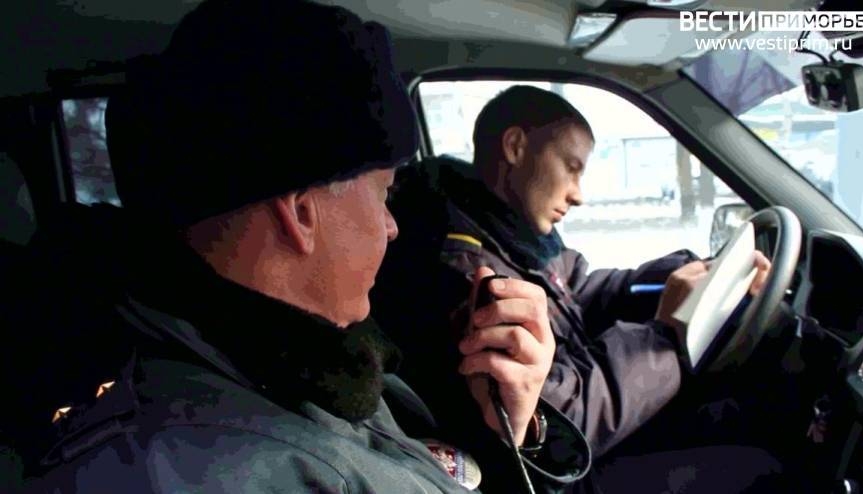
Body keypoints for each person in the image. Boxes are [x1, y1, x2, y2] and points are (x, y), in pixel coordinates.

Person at [24, 4, 590, 493]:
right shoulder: (212, 466)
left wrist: (513, 429)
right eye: (384, 194)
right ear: (300, 214)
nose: (393, 227)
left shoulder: (303, 358)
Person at [372, 85, 787, 493]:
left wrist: (685, 272)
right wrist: (664, 338)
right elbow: (560, 423)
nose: (578, 195)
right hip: (563, 471)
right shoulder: (467, 273)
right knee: (761, 468)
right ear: (515, 147)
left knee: (741, 413)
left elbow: (581, 289)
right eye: (572, 168)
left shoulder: (510, 232)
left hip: (589, 433)